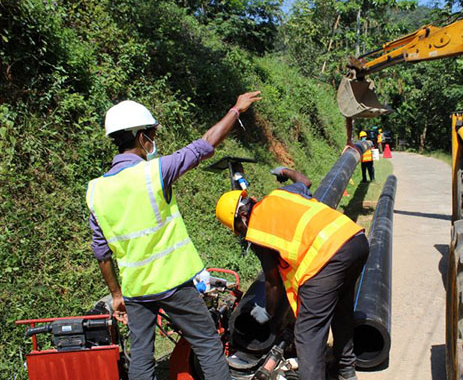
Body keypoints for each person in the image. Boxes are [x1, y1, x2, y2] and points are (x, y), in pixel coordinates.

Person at [86, 91, 261, 380]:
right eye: (152, 134)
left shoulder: (96, 191)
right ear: (141, 137)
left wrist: (117, 294)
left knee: (142, 358)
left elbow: (101, 252)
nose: (154, 140)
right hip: (173, 282)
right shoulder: (155, 172)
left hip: (135, 290)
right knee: (207, 344)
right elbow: (205, 144)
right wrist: (236, 110)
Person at [215, 169, 369, 380]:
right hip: (353, 239)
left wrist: (268, 311)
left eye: (239, 229)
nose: (242, 234)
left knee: (308, 333)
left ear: (242, 216)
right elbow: (305, 180)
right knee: (341, 310)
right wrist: (286, 171)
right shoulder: (279, 195)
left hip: (328, 258)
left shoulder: (257, 230)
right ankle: (345, 371)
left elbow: (273, 282)